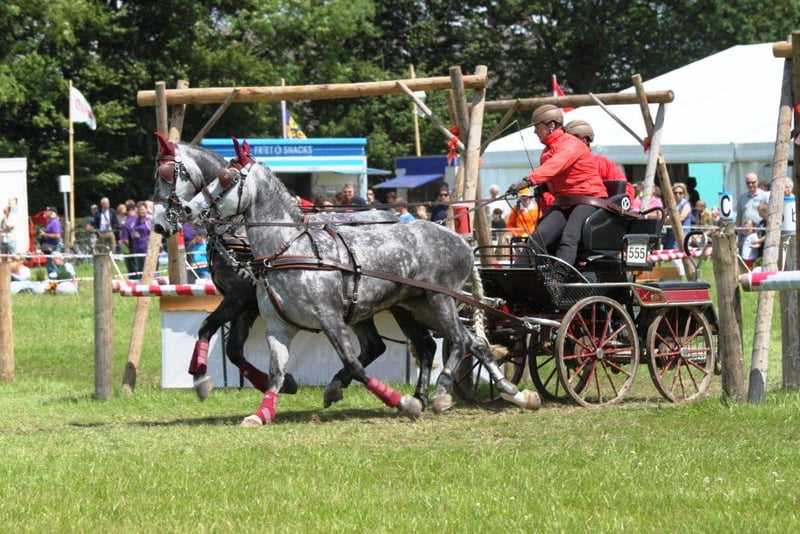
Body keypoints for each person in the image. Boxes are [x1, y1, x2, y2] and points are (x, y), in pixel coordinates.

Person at [506, 105, 607, 266]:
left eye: (537, 127)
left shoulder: (571, 144)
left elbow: (555, 165)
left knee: (569, 236)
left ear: (551, 125)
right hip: (565, 201)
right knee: (539, 237)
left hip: (587, 199)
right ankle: (516, 274)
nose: (534, 132)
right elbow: (558, 176)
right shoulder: (548, 150)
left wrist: (528, 181)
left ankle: (558, 279)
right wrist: (544, 187)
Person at [564, 119, 635, 200]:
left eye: (570, 141)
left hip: (597, 207)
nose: (566, 144)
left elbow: (625, 188)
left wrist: (614, 207)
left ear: (584, 140)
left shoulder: (602, 163)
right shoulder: (561, 163)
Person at [119, 201, 152, 280]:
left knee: (133, 274)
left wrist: (126, 254)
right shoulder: (138, 220)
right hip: (141, 249)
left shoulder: (126, 223)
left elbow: (124, 241)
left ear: (127, 211)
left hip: (132, 250)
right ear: (135, 209)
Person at [736, 172, 769, 240]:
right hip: (745, 235)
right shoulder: (742, 197)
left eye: (753, 182)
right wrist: (739, 233)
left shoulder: (765, 196)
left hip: (759, 234)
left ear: (757, 182)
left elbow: (768, 215)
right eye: (748, 183)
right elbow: (739, 217)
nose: (750, 185)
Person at [665, 182, 693, 249]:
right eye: (675, 193)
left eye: (680, 193)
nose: (678, 195)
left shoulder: (686, 204)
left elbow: (681, 218)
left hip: (683, 236)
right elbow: (664, 219)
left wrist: (669, 220)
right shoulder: (671, 204)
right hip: (671, 236)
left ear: (684, 194)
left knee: (680, 257)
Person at [39, 206, 62, 275]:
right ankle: (52, 281)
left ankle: (56, 281)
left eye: (48, 211)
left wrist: (45, 234)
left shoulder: (54, 222)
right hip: (49, 246)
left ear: (52, 213)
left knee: (53, 265)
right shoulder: (50, 221)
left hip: (54, 246)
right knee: (49, 266)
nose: (46, 212)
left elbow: (57, 235)